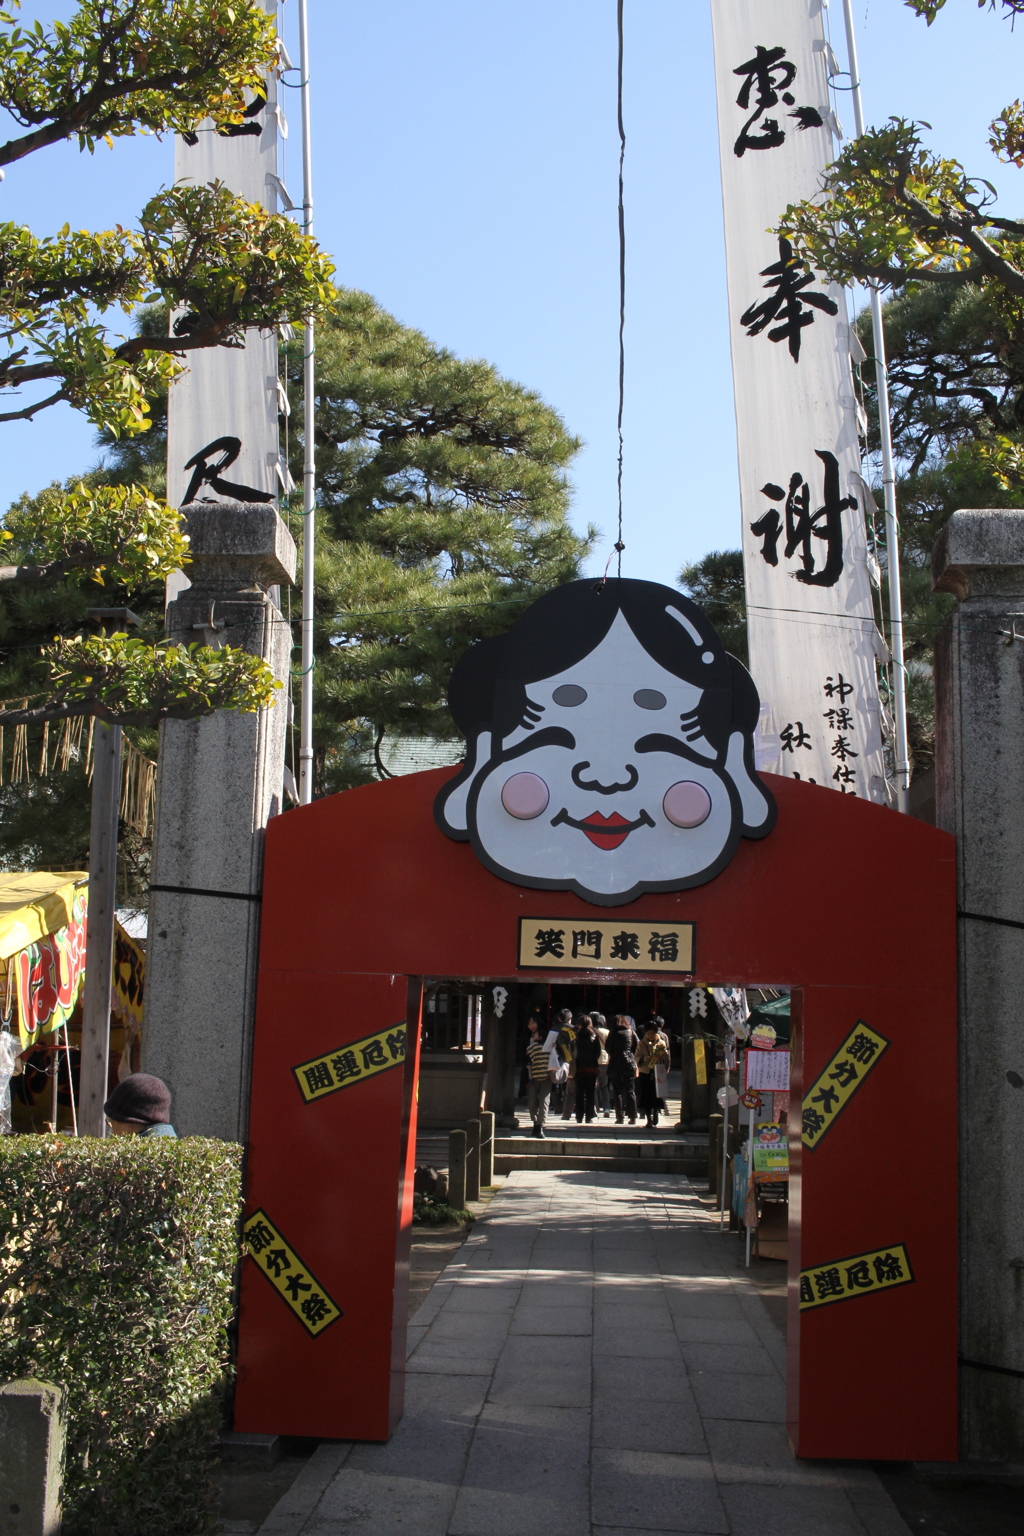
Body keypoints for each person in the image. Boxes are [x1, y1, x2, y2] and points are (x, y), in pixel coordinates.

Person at [104, 1073, 177, 1137]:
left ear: (129, 1123)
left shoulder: (133, 1152)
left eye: (111, 1121)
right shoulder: (177, 1148)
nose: (112, 1130)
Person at [636, 1018, 671, 1128]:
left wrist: (665, 1062)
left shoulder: (661, 1043)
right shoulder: (641, 1043)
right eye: (648, 1034)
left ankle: (656, 1112)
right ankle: (648, 1118)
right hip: (645, 1071)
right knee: (646, 1094)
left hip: (658, 1071)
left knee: (657, 1094)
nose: (650, 1036)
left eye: (652, 1034)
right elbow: (636, 1056)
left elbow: (667, 1057)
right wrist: (643, 1059)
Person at [607, 1013, 640, 1125]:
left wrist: (615, 1054)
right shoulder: (631, 1032)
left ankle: (619, 1117)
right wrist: (632, 1056)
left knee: (617, 1091)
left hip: (615, 1063)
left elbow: (608, 1048)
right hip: (629, 1063)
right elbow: (637, 1046)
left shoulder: (613, 1033)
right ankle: (633, 1116)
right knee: (630, 1090)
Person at [524, 1014, 552, 1138]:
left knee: (543, 1102)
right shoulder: (526, 1038)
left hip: (545, 1075)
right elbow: (523, 1053)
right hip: (531, 1075)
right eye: (529, 1023)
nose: (531, 1026)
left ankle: (539, 1125)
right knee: (532, 1102)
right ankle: (536, 1123)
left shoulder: (548, 1046)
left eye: (533, 1023)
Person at [573, 1013, 601, 1124]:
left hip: (579, 1067)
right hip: (591, 1067)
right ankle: (589, 1116)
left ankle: (579, 1116)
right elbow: (598, 1052)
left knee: (579, 1093)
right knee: (590, 1093)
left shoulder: (576, 1035)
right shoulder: (594, 1035)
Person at [592, 1012, 612, 1117]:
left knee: (594, 1086)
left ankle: (595, 1107)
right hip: (605, 1060)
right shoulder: (607, 1032)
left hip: (593, 1061)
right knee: (604, 1086)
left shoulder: (591, 1031)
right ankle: (606, 1108)